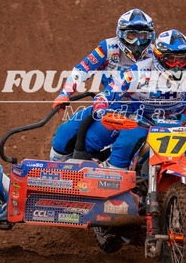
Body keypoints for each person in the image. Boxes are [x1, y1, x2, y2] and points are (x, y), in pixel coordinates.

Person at [86, 29, 186, 169]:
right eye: (171, 59)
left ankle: (178, 184)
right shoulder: (139, 70)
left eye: (183, 59)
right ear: (159, 57)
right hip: (142, 120)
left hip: (178, 124)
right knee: (125, 146)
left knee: (185, 160)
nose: (177, 65)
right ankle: (114, 174)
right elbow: (106, 93)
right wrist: (102, 109)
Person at [50, 9, 155, 161]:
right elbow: (82, 69)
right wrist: (65, 93)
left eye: (143, 35)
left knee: (91, 141)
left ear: (150, 36)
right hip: (107, 105)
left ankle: (106, 165)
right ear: (121, 34)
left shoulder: (156, 55)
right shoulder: (109, 48)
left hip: (140, 111)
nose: (137, 42)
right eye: (132, 35)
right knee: (63, 137)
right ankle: (56, 171)